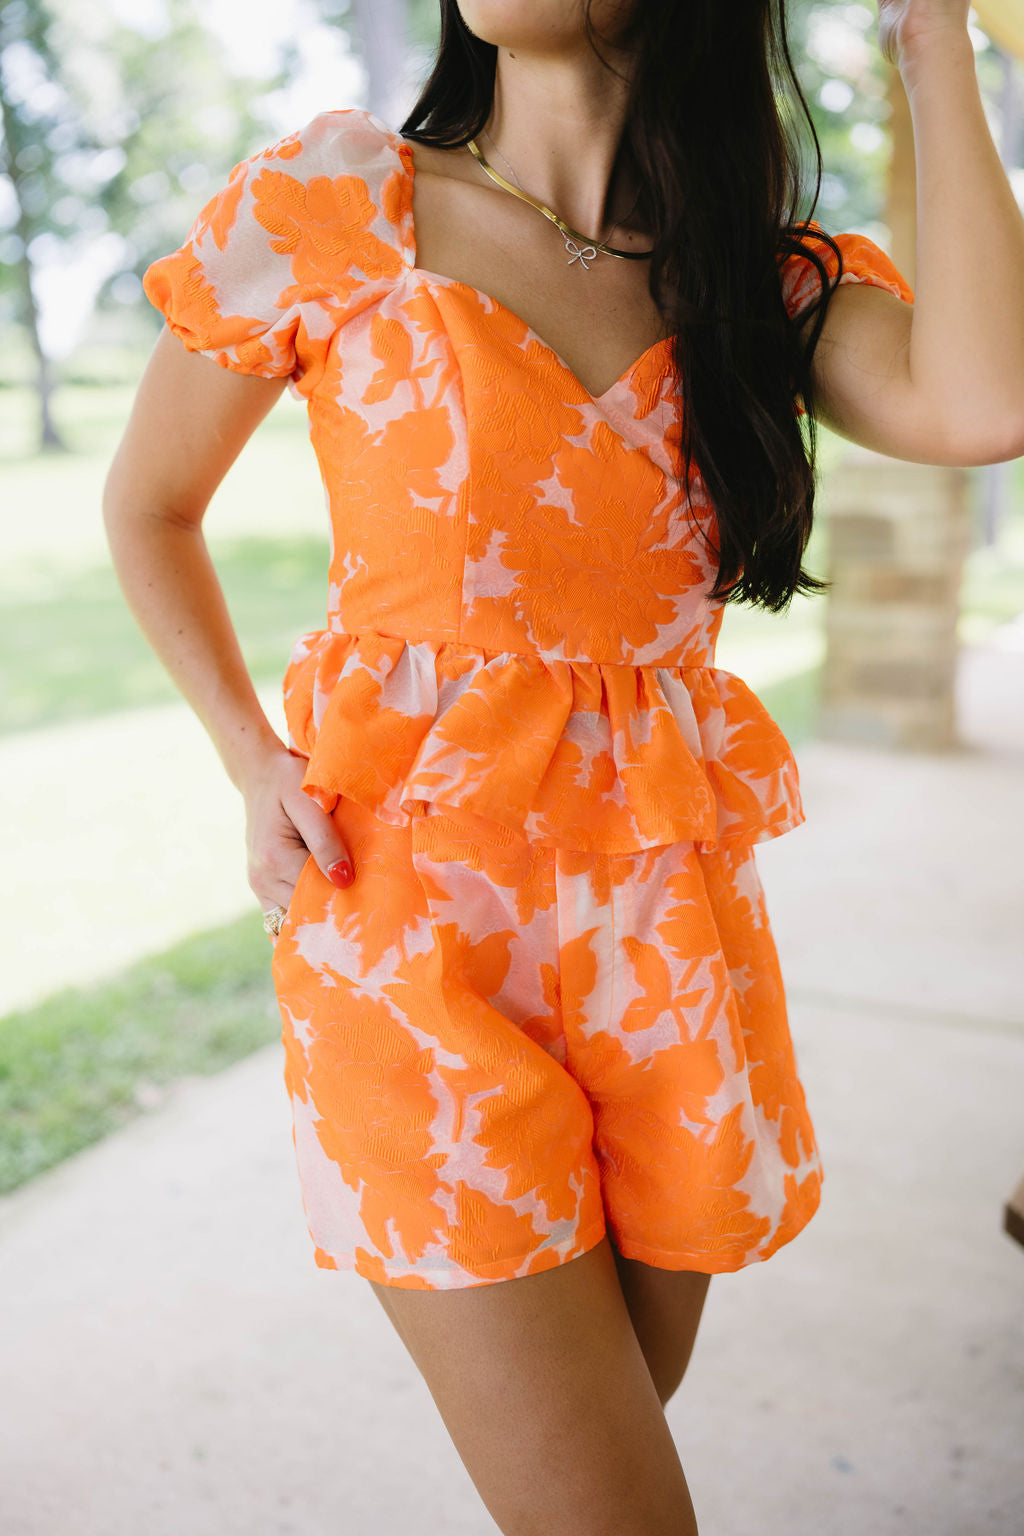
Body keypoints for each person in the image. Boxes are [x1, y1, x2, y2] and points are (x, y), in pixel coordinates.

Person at [102, 2, 1024, 1532]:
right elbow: (148, 506)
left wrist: (936, 36)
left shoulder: (763, 280)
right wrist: (248, 757)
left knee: (601, 1462)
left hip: (668, 958)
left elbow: (988, 401)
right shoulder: (337, 203)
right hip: (407, 941)